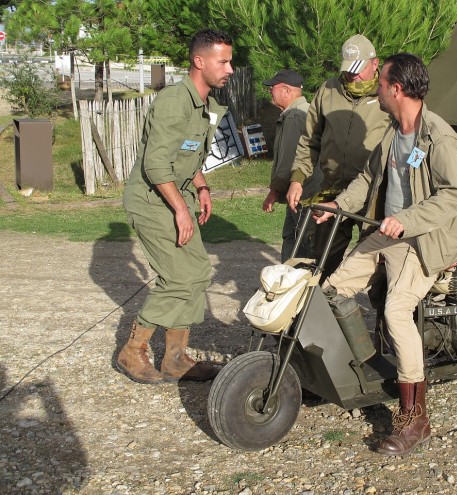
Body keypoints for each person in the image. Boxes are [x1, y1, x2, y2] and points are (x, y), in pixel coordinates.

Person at [313, 53, 457, 455]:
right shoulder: (391, 134)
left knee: (395, 311)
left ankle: (415, 418)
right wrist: (336, 206)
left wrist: (407, 220)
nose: (376, 90)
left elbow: (453, 196)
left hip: (423, 240)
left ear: (396, 89)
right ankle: (373, 366)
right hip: (388, 233)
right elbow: (368, 180)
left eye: (380, 84)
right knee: (332, 289)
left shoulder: (439, 138)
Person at [118, 29, 234, 384]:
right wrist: (180, 210)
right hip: (152, 200)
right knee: (179, 277)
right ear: (199, 62)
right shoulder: (174, 101)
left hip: (176, 194)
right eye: (224, 61)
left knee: (197, 271)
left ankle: (175, 358)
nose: (230, 69)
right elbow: (155, 165)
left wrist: (200, 186)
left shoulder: (204, 106)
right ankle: (132, 350)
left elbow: (186, 155)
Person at [285, 34, 390, 278]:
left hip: (372, 195)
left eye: (359, 69)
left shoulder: (386, 93)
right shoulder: (328, 90)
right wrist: (297, 178)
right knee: (321, 262)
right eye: (348, 69)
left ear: (375, 64)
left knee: (375, 266)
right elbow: (310, 139)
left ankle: (382, 314)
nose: (352, 75)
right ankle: (320, 310)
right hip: (332, 190)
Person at [261, 69, 319, 262]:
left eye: (273, 88)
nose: (270, 91)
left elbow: (288, 162)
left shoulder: (294, 116)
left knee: (301, 244)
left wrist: (274, 191)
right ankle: (287, 286)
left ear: (286, 91)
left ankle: (298, 288)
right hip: (302, 192)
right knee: (295, 240)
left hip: (303, 193)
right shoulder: (304, 111)